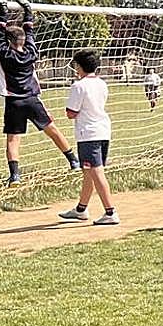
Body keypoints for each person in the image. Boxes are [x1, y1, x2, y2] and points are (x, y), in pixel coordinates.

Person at [0, 0, 80, 186]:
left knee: (13, 139)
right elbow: (30, 31)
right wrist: (28, 11)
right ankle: (74, 161)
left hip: (14, 101)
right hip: (32, 99)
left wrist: (3, 11)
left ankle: (15, 176)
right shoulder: (31, 52)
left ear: (8, 41)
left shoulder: (5, 54)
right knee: (52, 130)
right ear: (23, 40)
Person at [57, 49, 118, 225]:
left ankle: (110, 212)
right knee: (89, 172)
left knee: (96, 172)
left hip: (88, 134)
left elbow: (71, 113)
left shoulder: (79, 86)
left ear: (79, 66)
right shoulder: (102, 83)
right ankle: (81, 209)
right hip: (103, 130)